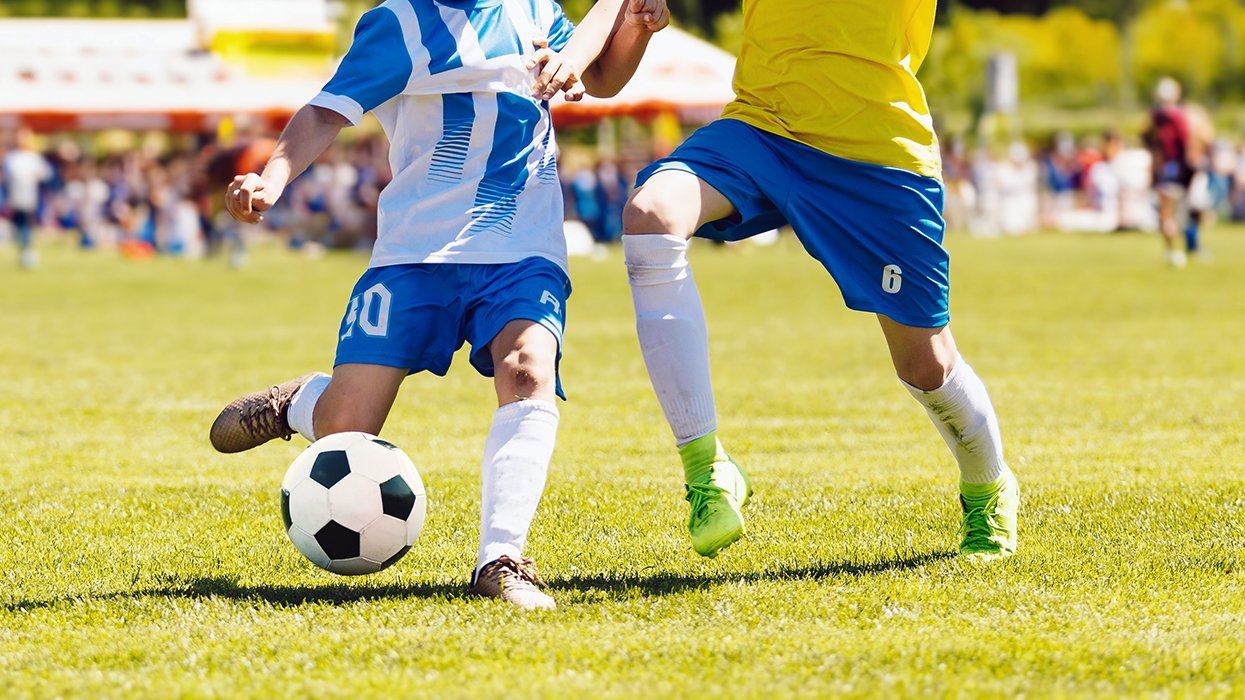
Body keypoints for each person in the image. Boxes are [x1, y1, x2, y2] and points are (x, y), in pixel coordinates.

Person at [208, 0, 669, 610]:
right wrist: (272, 178)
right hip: (415, 253)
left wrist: (635, 25)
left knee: (528, 367)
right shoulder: (397, 23)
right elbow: (325, 112)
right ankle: (304, 403)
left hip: (521, 245)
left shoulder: (535, 10)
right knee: (349, 427)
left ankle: (502, 558)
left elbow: (600, 75)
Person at [621, 0, 1020, 561]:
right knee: (651, 214)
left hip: (877, 150)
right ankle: (706, 468)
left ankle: (989, 486)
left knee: (925, 363)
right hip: (763, 126)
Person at [1144, 78, 1193, 267]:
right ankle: (1177, 250)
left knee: (1168, 214)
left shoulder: (1157, 117)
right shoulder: (1176, 116)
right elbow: (1186, 142)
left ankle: (1174, 250)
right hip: (1175, 169)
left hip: (1168, 169)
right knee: (1173, 214)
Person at [3, 129, 53, 269]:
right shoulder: (12, 157)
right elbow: (7, 179)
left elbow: (46, 174)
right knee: (19, 227)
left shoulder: (33, 157)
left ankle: (27, 252)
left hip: (30, 198)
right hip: (15, 198)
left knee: (26, 226)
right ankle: (24, 252)